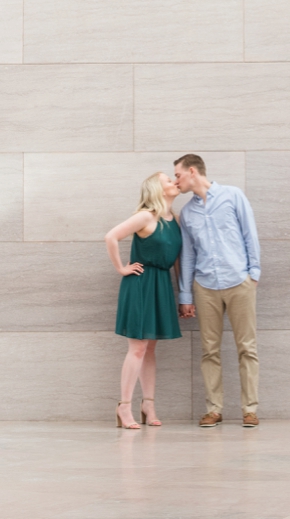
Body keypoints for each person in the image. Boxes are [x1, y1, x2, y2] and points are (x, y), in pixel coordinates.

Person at [175, 154, 261, 428]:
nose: (176, 181)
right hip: (206, 287)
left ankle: (249, 410)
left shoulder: (233, 196)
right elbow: (187, 256)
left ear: (191, 171)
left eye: (177, 175)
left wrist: (253, 274)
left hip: (239, 282)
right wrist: (185, 295)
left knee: (247, 348)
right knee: (209, 350)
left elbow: (250, 234)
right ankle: (214, 409)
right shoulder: (188, 213)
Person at [105, 171, 182, 429]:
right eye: (168, 181)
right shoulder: (146, 216)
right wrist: (121, 268)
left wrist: (182, 292)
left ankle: (148, 404)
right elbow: (111, 236)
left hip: (161, 284)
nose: (174, 182)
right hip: (140, 284)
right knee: (137, 348)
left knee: (150, 349)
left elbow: (178, 259)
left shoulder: (175, 219)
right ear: (157, 190)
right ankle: (124, 407)